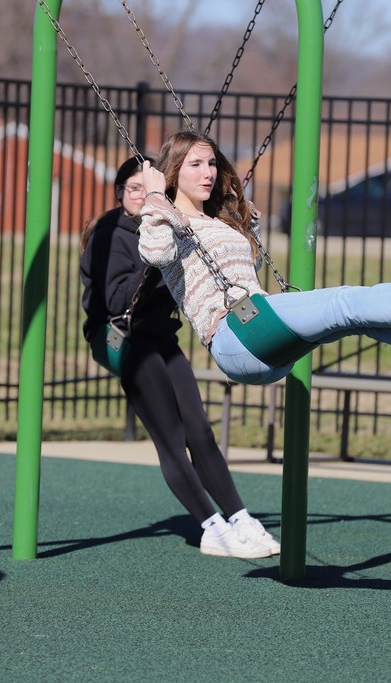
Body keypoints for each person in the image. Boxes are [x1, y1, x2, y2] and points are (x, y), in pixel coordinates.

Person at [137, 129, 391, 387]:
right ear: (172, 173)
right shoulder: (167, 219)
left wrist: (247, 227)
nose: (208, 173)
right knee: (345, 301)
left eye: (211, 163)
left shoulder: (216, 217)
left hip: (261, 331)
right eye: (195, 165)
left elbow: (244, 272)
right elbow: (155, 253)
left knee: (358, 319)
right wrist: (154, 197)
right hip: (233, 336)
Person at [80, 155, 280, 559]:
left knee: (199, 431)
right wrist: (154, 261)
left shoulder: (168, 225)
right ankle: (210, 527)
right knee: (170, 437)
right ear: (120, 193)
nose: (139, 195)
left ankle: (240, 517)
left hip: (161, 338)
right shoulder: (110, 233)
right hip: (127, 339)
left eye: (146, 187)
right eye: (132, 189)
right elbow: (116, 299)